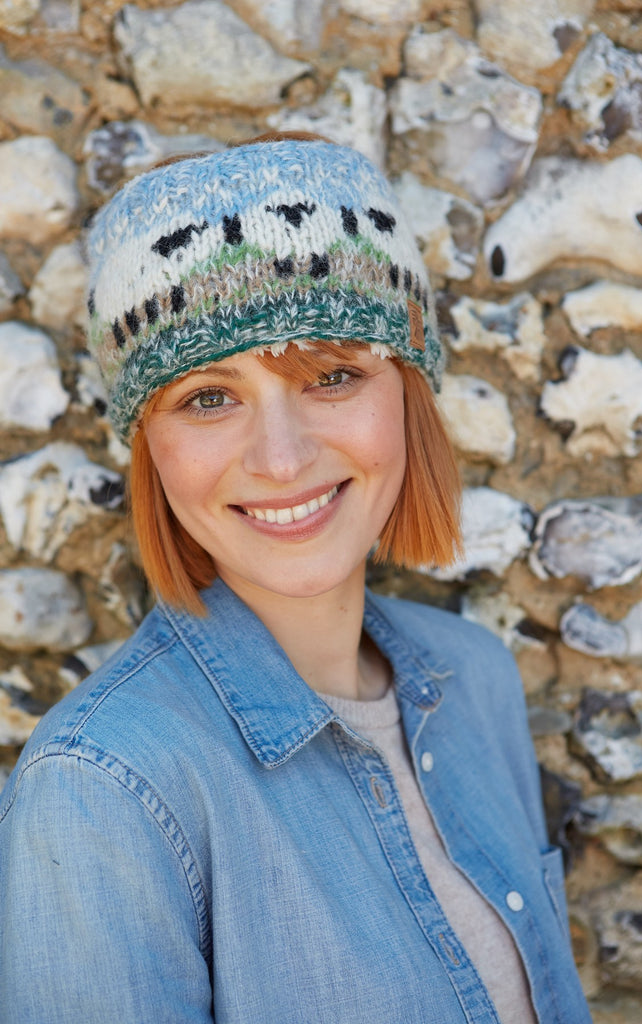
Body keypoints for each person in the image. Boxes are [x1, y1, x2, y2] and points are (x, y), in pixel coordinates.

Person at [0, 134, 591, 1023]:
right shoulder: (102, 788)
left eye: (332, 375)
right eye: (208, 397)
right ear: (148, 446)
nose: (281, 460)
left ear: (408, 392)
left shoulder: (476, 678)